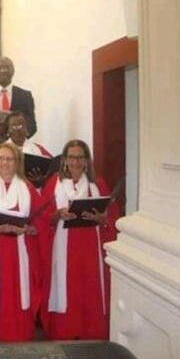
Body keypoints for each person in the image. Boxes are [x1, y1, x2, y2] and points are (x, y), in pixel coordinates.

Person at [41, 139, 120, 340]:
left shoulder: (97, 184)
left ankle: (92, 335)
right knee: (66, 291)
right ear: (64, 160)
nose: (75, 162)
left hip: (91, 250)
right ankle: (65, 334)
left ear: (86, 161)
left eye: (79, 157)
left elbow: (112, 216)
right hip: (63, 250)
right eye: (71, 157)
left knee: (91, 291)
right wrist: (58, 214)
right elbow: (42, 218)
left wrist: (102, 219)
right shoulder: (53, 184)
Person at [0, 142, 45, 342]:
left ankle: (19, 335)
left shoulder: (28, 189)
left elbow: (41, 220)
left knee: (18, 294)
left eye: (9, 159)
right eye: (1, 158)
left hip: (19, 253)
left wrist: (29, 229)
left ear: (17, 162)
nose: (5, 163)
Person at [5, 111, 52, 188]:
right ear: (8, 131)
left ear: (27, 129)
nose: (18, 130)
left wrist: (43, 180)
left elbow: (52, 170)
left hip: (33, 190)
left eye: (21, 126)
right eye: (14, 127)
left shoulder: (39, 150)